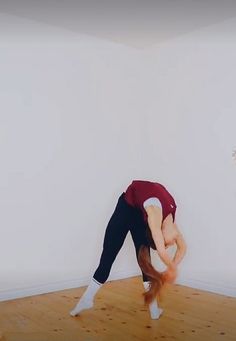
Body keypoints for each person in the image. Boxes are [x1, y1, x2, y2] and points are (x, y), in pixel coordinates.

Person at [70, 179, 187, 319]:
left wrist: (171, 267)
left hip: (140, 214)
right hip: (125, 209)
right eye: (166, 244)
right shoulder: (155, 214)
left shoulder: (171, 222)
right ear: (160, 233)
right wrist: (172, 268)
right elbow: (161, 250)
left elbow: (183, 248)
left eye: (167, 245)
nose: (169, 245)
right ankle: (86, 299)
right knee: (108, 257)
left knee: (146, 264)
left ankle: (154, 309)